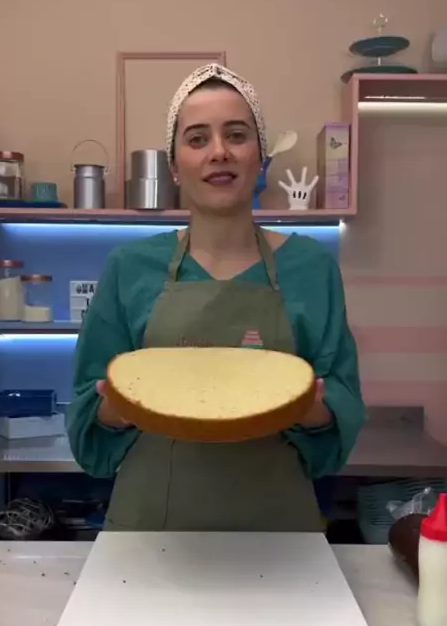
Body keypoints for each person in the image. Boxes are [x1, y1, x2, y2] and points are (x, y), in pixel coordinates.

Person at [67, 63, 366, 531]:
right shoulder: (129, 267)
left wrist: (311, 408)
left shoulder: (311, 267)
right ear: (174, 166)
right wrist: (115, 406)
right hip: (150, 533)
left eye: (237, 135)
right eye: (197, 138)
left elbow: (341, 410)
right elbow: (88, 414)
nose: (219, 152)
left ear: (260, 157)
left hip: (280, 535)